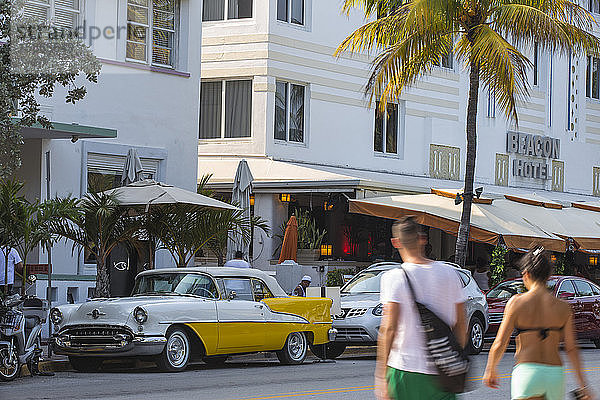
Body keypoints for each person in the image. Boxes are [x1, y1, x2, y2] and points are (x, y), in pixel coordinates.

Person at [375, 216, 467, 400]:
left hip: (405, 369)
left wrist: (381, 375)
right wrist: (451, 357)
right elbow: (461, 325)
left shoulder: (393, 278)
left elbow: (389, 329)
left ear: (395, 242)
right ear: (422, 239)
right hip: (443, 371)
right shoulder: (450, 274)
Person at [483, 247, 593, 400]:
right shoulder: (563, 307)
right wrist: (583, 385)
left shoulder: (516, 303)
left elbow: (500, 342)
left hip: (527, 371)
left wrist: (491, 369)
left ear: (526, 274)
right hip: (554, 374)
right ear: (548, 276)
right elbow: (571, 349)